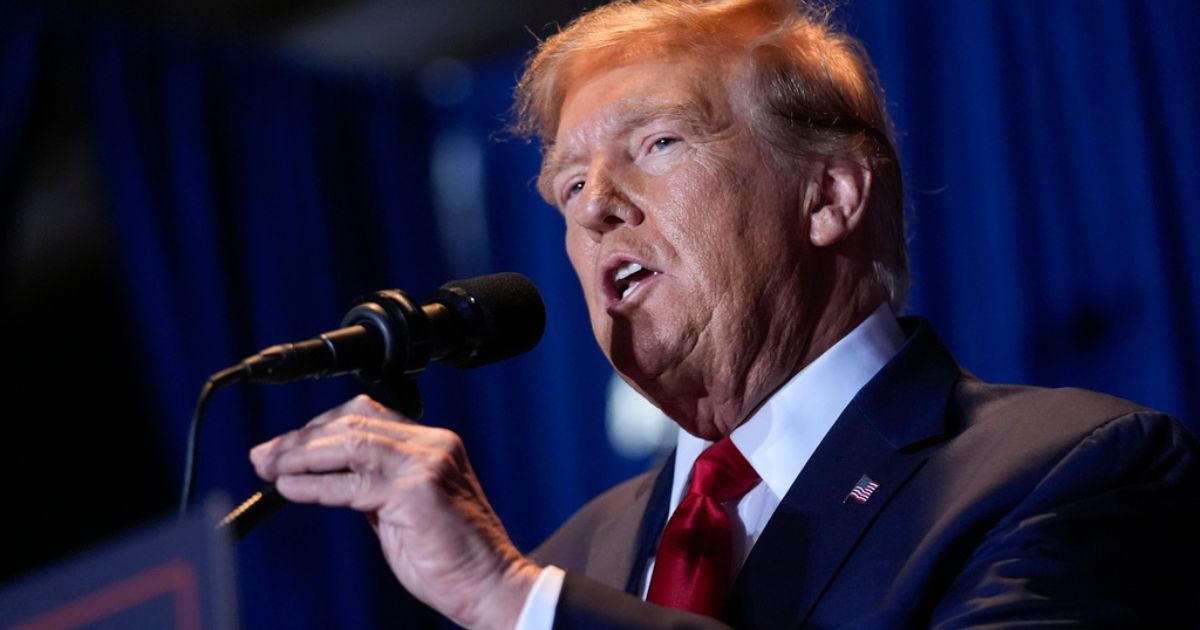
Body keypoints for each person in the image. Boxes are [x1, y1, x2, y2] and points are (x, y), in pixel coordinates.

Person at [249, 0, 1200, 628]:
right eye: (568, 183)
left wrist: (519, 605)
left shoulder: (1067, 470)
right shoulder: (572, 557)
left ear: (828, 194)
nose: (594, 206)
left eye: (657, 143)